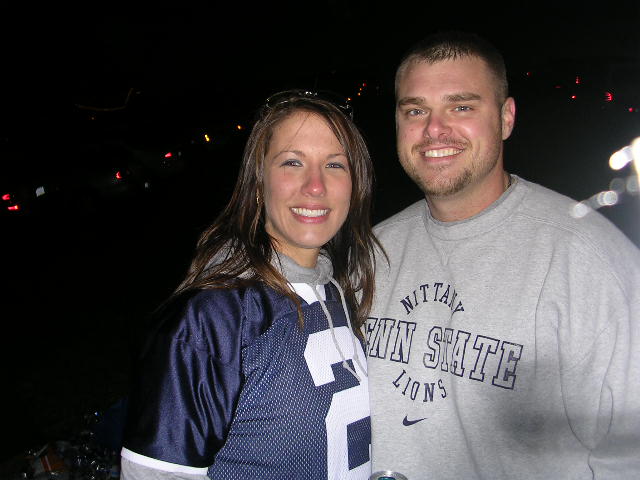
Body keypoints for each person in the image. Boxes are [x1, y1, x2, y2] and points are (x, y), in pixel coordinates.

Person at [366, 30, 640, 479]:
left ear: (506, 118)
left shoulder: (591, 261)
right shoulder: (372, 254)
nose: (434, 129)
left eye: (461, 107)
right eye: (415, 110)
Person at [120, 89, 381, 479]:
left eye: (334, 165)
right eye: (292, 162)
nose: (315, 185)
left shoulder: (340, 292)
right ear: (258, 183)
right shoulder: (212, 317)